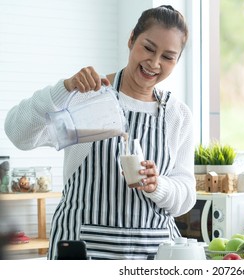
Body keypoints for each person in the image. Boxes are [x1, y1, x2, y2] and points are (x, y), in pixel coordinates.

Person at [4, 5, 196, 260]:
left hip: (152, 256)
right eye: (148, 48)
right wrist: (64, 89)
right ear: (131, 39)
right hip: (80, 252)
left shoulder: (177, 115)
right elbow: (18, 133)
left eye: (168, 57)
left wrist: (157, 185)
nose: (154, 63)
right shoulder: (86, 98)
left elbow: (185, 195)